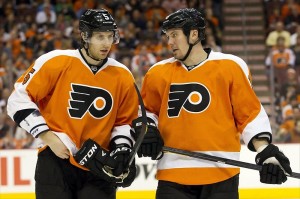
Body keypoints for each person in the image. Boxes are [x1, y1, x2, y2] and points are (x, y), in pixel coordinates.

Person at [131, 8, 293, 199]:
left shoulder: (230, 66)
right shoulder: (157, 72)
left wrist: (265, 151)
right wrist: (148, 129)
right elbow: (147, 112)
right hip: (172, 172)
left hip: (222, 174)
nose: (170, 42)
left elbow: (248, 114)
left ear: (193, 34)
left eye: (174, 35)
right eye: (168, 36)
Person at [7, 8, 138, 199]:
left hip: (98, 164)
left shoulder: (123, 75)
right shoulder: (55, 61)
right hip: (56, 160)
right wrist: (49, 138)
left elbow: (124, 121)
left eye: (110, 36)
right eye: (100, 37)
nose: (107, 43)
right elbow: (17, 99)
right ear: (85, 36)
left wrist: (122, 149)